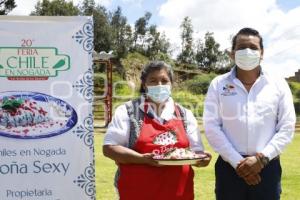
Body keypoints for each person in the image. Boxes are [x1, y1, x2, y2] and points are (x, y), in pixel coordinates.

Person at [203, 27, 296, 200]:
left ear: (262, 53)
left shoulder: (278, 84)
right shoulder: (218, 84)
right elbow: (211, 126)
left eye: (253, 47)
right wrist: (237, 162)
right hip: (229, 168)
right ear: (232, 54)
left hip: (267, 167)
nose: (247, 51)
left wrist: (261, 159)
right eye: (241, 47)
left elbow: (286, 126)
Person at [103, 61, 211, 200]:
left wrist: (202, 159)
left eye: (164, 81)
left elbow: (196, 153)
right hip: (137, 192)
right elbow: (110, 148)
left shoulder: (184, 114)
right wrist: (142, 159)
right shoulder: (127, 111)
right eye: (153, 81)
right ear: (144, 84)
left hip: (179, 193)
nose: (159, 85)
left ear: (171, 84)